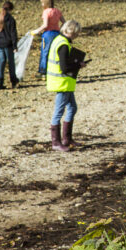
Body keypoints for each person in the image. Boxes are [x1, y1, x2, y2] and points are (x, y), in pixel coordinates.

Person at [47, 20, 86, 152]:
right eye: (75, 33)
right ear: (68, 30)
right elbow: (64, 68)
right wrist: (78, 65)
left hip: (65, 83)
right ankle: (56, 143)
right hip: (62, 83)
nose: (76, 35)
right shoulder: (63, 44)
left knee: (72, 108)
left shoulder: (59, 40)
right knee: (58, 113)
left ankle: (67, 139)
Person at [31, 0, 65, 78]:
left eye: (42, 3)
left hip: (48, 34)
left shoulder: (46, 12)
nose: (41, 5)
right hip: (57, 33)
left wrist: (36, 31)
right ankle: (54, 70)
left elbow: (45, 25)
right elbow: (64, 22)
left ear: (46, 4)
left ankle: (43, 72)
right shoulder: (57, 11)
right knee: (55, 52)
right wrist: (60, 30)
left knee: (45, 52)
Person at [0, 1, 19, 90]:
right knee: (11, 64)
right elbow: (13, 34)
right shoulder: (11, 19)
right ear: (10, 10)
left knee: (0, 63)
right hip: (8, 44)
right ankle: (13, 81)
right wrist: (15, 46)